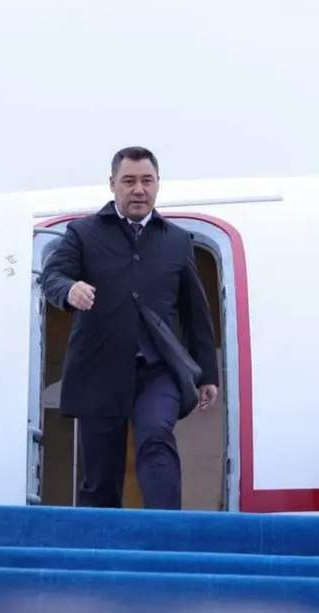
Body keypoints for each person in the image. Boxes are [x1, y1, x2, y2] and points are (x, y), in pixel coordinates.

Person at [41, 147, 219, 510]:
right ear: (112, 184)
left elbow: (195, 310)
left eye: (147, 181)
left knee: (156, 436)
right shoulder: (83, 233)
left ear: (158, 184)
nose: (139, 190)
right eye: (129, 181)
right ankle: (101, 544)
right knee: (100, 478)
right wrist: (69, 290)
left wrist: (207, 374)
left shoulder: (176, 240)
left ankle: (165, 531)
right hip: (98, 370)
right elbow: (52, 276)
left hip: (158, 370)